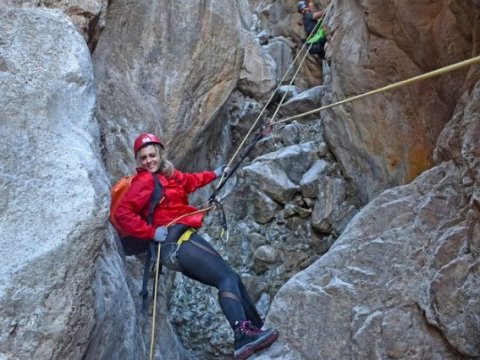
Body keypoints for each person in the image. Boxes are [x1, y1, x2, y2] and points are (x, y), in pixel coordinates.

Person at [114, 133, 278, 360]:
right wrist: (151, 232)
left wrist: (216, 174)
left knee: (232, 277)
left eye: (152, 155)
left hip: (182, 238)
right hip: (173, 241)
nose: (149, 161)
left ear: (160, 154)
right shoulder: (144, 181)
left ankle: (255, 329)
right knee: (225, 279)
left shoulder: (169, 175)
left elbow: (191, 181)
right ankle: (242, 335)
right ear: (138, 161)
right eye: (143, 158)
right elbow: (124, 213)